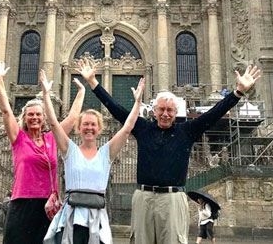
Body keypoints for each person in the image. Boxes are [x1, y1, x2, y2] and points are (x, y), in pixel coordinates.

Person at [77, 58, 261, 244]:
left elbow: (214, 113)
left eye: (170, 110)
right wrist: (93, 82)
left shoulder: (187, 131)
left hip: (173, 199)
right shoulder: (142, 128)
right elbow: (116, 109)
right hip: (144, 198)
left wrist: (237, 92)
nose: (165, 114)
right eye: (161, 109)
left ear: (176, 112)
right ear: (154, 111)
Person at [40, 69, 145, 244]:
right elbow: (53, 123)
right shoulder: (69, 150)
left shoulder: (106, 153)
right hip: (71, 218)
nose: (89, 128)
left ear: (99, 128)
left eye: (93, 125)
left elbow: (127, 128)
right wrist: (45, 94)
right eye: (85, 124)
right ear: (78, 128)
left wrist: (138, 103)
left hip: (97, 219)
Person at [0, 62, 85, 244]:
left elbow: (73, 117)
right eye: (30, 115)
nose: (34, 117)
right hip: (22, 203)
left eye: (38, 114)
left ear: (44, 118)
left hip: (47, 205)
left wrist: (82, 90)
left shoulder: (52, 138)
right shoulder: (18, 138)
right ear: (25, 118)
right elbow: (5, 111)